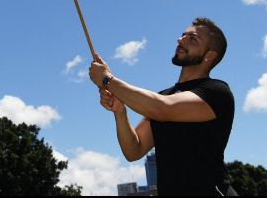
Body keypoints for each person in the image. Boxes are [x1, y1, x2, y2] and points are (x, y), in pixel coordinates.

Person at [89, 17, 236, 196]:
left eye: (192, 38)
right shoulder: (164, 96)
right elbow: (133, 150)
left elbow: (162, 109)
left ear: (210, 55)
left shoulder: (216, 91)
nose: (180, 40)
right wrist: (120, 111)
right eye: (183, 35)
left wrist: (108, 80)